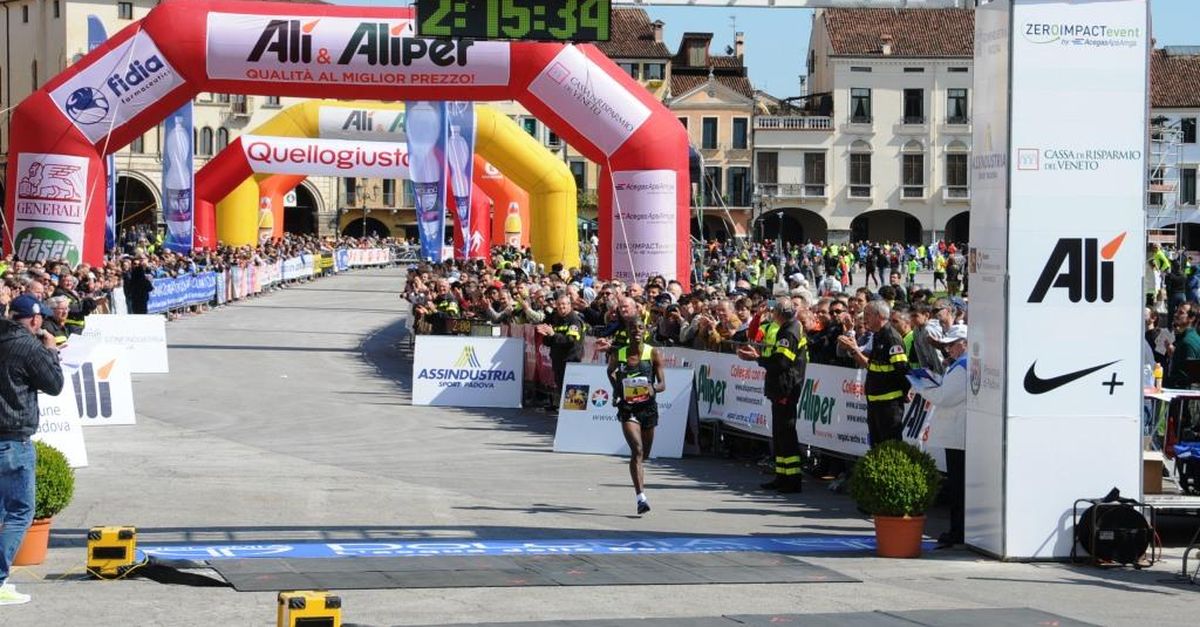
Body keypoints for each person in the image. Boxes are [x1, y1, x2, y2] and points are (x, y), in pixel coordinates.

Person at [0, 295, 65, 605]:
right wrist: (50, 349)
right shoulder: (28, 346)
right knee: (19, 512)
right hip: (12, 437)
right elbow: (54, 384)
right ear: (35, 321)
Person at [738, 300, 808, 493]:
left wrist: (757, 358)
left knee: (786, 433)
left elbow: (782, 362)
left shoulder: (789, 331)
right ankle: (782, 476)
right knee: (779, 433)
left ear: (779, 313)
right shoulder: (789, 327)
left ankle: (792, 479)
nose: (771, 314)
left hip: (786, 387)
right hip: (782, 386)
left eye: (773, 311)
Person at [908, 325, 968, 548]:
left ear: (964, 343)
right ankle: (957, 530)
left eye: (951, 345)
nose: (947, 349)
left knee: (958, 486)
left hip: (958, 433)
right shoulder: (960, 364)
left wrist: (921, 386)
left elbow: (944, 397)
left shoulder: (963, 366)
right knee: (957, 485)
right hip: (957, 431)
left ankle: (958, 531)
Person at [608, 323, 666, 515]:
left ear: (645, 332)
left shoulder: (653, 353)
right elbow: (610, 372)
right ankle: (641, 498)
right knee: (637, 450)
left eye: (640, 329)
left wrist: (652, 388)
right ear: (628, 333)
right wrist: (618, 390)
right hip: (628, 408)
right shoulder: (620, 353)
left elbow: (662, 384)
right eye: (633, 329)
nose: (637, 332)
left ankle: (640, 482)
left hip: (648, 408)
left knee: (645, 453)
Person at [840, 299, 911, 446]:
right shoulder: (877, 335)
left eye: (868, 314)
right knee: (876, 445)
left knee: (890, 446)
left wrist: (905, 391)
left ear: (879, 316)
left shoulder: (891, 338)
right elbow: (872, 365)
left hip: (889, 403)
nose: (864, 319)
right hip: (875, 401)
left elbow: (902, 369)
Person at [539, 294, 585, 410]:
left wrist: (553, 334)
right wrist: (547, 335)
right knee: (561, 388)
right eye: (559, 305)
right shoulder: (555, 319)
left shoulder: (574, 320)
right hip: (558, 360)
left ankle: (575, 415)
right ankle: (564, 414)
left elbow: (570, 341)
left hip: (571, 361)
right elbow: (548, 342)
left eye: (564, 304)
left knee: (573, 391)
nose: (561, 307)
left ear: (570, 305)